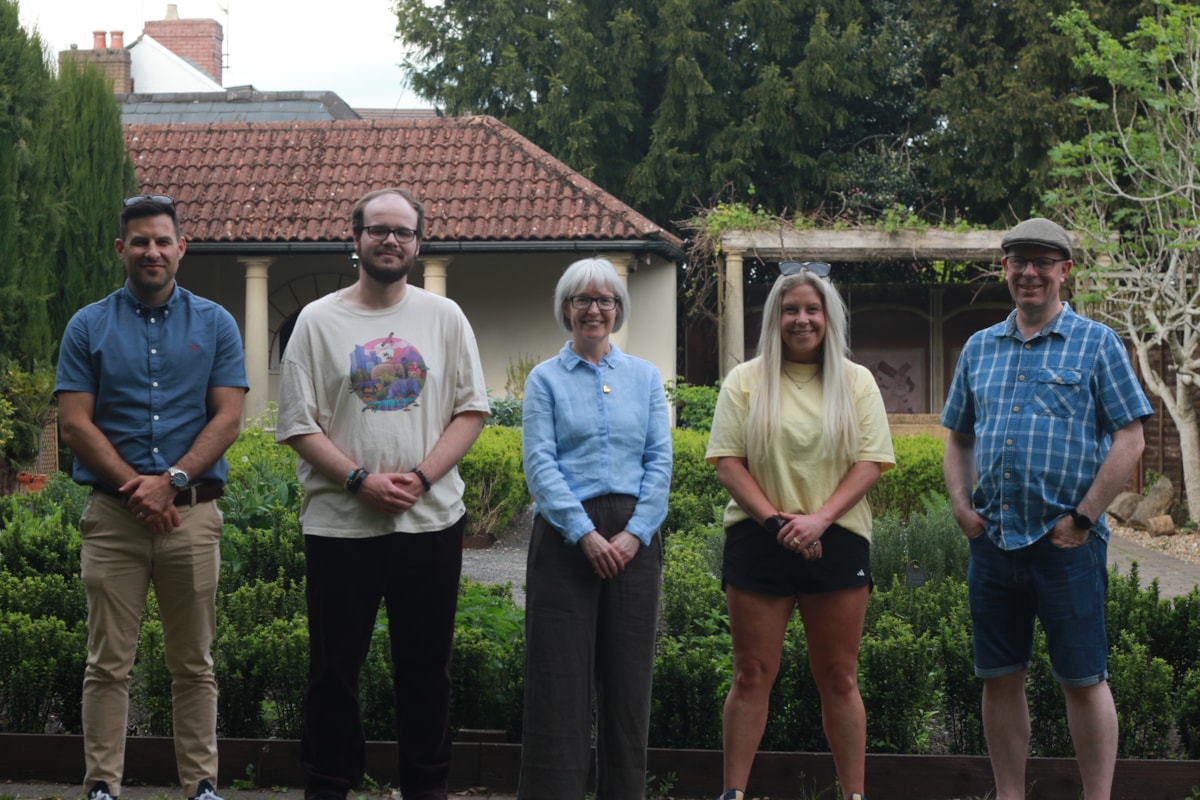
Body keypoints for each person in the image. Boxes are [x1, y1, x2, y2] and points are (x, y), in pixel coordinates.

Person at [275, 187, 489, 800]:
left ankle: (426, 789)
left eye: (402, 231)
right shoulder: (317, 321)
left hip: (431, 525)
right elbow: (297, 422)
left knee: (426, 671)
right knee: (333, 674)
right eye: (378, 230)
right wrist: (358, 479)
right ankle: (329, 786)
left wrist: (420, 479)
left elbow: (471, 411)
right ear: (356, 238)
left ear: (419, 244)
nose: (390, 240)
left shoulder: (445, 318)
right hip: (341, 526)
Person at [941, 217, 1153, 800]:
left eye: (1042, 261)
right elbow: (958, 436)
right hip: (994, 543)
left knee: (1084, 680)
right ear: (1004, 268)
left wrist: (1082, 519)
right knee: (999, 678)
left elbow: (1129, 437)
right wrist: (961, 507)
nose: (1029, 272)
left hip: (1067, 545)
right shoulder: (979, 348)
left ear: (1064, 271)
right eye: (1018, 260)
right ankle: (1011, 795)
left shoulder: (1097, 344)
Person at [55, 195, 248, 800]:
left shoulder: (216, 323)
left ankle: (201, 786)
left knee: (193, 664)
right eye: (139, 241)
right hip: (113, 518)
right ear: (122, 250)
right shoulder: (87, 325)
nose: (152, 252)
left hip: (192, 517)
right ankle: (102, 786)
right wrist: (136, 489)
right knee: (108, 664)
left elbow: (228, 418)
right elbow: (76, 424)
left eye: (163, 241)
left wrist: (173, 481)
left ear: (181, 247)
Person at [705, 262, 894, 800]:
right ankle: (733, 793)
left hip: (836, 538)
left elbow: (871, 462)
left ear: (829, 317)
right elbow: (728, 463)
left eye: (812, 309)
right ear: (775, 317)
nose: (802, 319)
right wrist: (776, 521)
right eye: (791, 310)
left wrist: (818, 520)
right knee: (750, 673)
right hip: (759, 537)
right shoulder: (745, 380)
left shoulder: (857, 382)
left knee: (839, 677)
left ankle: (854, 794)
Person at [518, 258, 673, 800]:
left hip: (635, 542)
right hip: (565, 541)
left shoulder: (645, 378)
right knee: (557, 685)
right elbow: (540, 464)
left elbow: (659, 461)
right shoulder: (544, 380)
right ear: (566, 308)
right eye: (583, 299)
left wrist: (635, 534)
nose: (595, 309)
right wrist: (584, 533)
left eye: (605, 300)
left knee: (629, 687)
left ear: (619, 310)